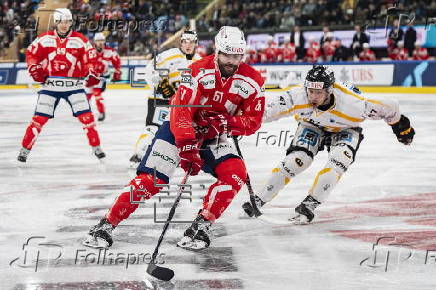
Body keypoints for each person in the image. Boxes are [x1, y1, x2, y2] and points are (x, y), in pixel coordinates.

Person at [83, 26, 265, 250]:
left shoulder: (253, 79)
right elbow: (181, 110)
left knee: (235, 173)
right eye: (228, 54)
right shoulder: (195, 70)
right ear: (217, 50)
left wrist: (228, 123)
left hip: (212, 135)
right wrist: (187, 145)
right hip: (178, 129)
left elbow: (253, 120)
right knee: (152, 180)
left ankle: (201, 225)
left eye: (237, 55)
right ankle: (105, 225)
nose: (232, 60)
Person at [242, 65, 415, 224]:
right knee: (295, 161)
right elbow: (265, 111)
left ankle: (310, 204)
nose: (313, 97)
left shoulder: (353, 103)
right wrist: (240, 122)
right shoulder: (297, 96)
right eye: (310, 91)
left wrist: (401, 128)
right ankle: (258, 199)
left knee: (338, 162)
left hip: (345, 129)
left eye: (318, 93)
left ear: (329, 91)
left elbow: (390, 106)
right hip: (312, 125)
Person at [17, 8, 105, 163]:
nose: (65, 25)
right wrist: (34, 67)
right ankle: (24, 150)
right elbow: (31, 54)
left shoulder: (80, 40)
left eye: (68, 21)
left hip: (74, 86)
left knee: (88, 119)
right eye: (62, 21)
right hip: (50, 87)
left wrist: (91, 72)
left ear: (71, 22)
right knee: (38, 120)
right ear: (56, 22)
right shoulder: (44, 39)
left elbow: (91, 59)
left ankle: (96, 148)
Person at [128, 31, 202, 167]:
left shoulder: (199, 61)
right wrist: (160, 84)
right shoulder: (168, 55)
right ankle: (138, 155)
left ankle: (176, 159)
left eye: (191, 41)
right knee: (153, 128)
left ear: (196, 43)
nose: (188, 44)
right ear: (181, 42)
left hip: (180, 104)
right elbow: (150, 70)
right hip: (160, 99)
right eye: (185, 41)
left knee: (179, 131)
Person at [85, 32, 121, 122]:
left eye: (102, 40)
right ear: (94, 42)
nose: (100, 42)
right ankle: (85, 113)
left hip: (101, 77)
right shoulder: (89, 51)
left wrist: (117, 72)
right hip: (89, 77)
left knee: (97, 94)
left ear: (104, 41)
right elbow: (83, 62)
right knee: (86, 97)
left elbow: (117, 62)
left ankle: (101, 112)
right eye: (98, 41)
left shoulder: (110, 51)